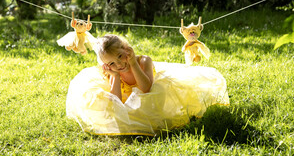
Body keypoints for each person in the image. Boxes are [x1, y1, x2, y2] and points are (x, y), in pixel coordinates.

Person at [66, 34, 229, 136]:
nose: (119, 65)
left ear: (126, 49)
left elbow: (146, 89)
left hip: (149, 97)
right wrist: (115, 75)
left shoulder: (143, 61)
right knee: (110, 109)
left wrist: (133, 64)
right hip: (128, 99)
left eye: (120, 57)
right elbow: (115, 101)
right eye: (111, 63)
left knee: (153, 99)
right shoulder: (114, 71)